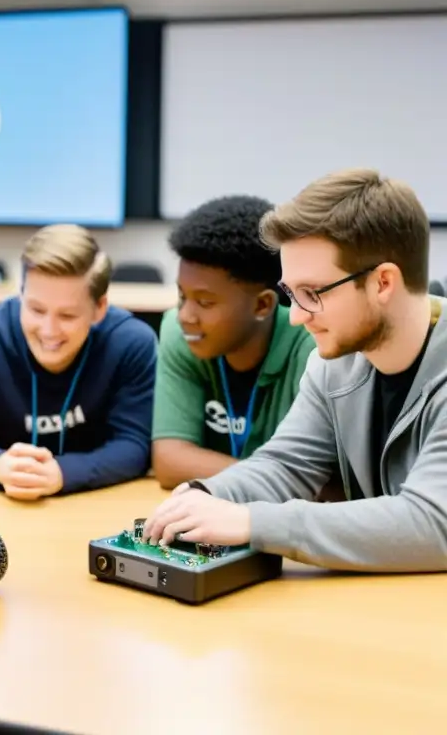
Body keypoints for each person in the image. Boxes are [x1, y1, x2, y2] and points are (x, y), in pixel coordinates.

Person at [143, 168, 447, 572]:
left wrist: (252, 521)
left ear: (383, 283)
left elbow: (432, 524)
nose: (296, 317)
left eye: (312, 294)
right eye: (291, 293)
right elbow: (285, 465)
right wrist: (205, 495)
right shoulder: (332, 364)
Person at [0, 224, 156, 500]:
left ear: (99, 308)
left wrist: (65, 472)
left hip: (88, 506)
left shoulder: (131, 343)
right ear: (20, 294)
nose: (49, 330)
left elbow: (134, 446)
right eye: (36, 309)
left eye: (68, 316)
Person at [151, 195, 316, 489]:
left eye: (204, 302)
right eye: (181, 296)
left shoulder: (310, 348)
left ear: (263, 306)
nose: (185, 315)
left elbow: (321, 483)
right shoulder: (180, 335)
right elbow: (170, 461)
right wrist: (273, 477)